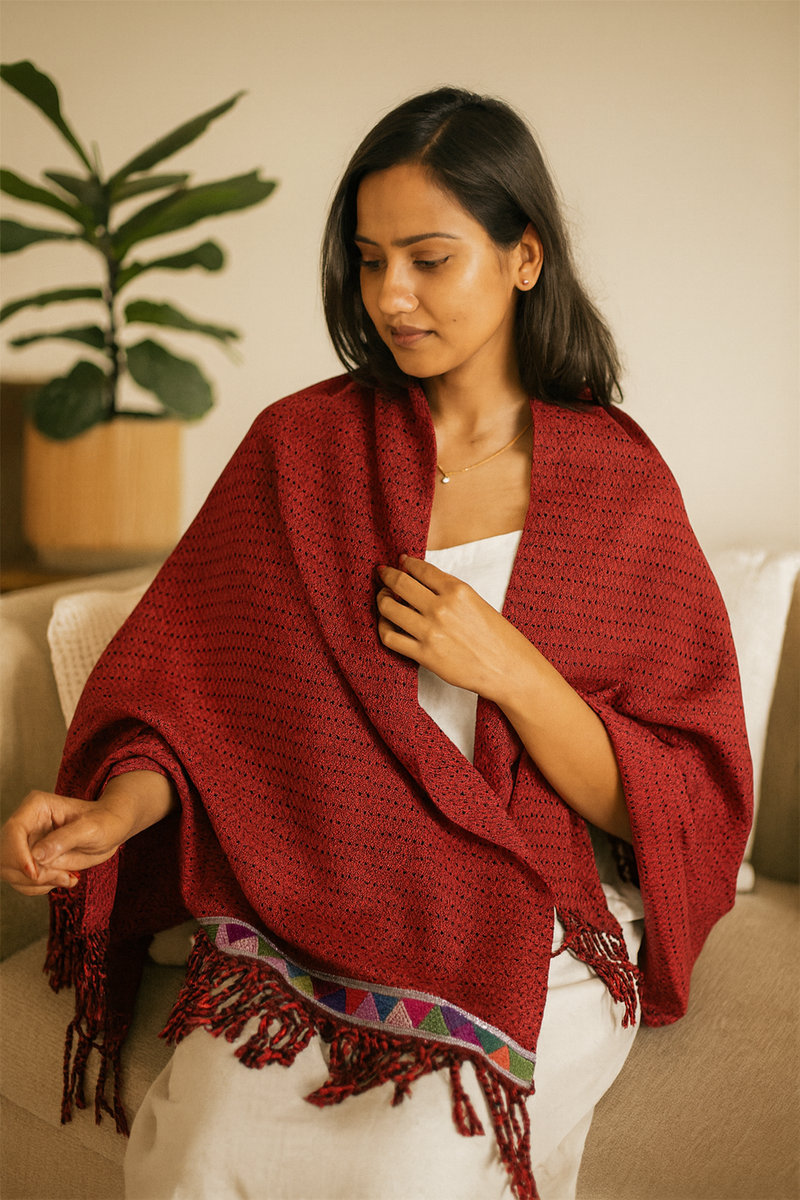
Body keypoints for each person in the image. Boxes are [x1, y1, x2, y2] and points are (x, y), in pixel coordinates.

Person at [1, 88, 751, 1200]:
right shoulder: (299, 450)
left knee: (412, 1170)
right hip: (311, 900)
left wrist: (510, 668)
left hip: (525, 916)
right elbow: (200, 704)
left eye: (428, 259)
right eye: (366, 259)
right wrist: (114, 812)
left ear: (524, 256)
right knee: (199, 1160)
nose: (388, 296)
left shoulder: (618, 492)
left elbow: (673, 800)